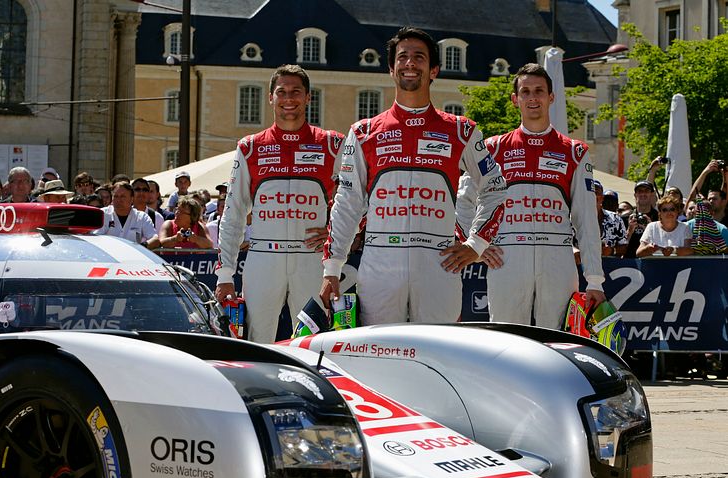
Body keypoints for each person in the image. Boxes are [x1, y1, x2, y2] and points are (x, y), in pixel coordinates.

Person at [321, 28, 506, 326]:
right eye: (402, 57)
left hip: (440, 263)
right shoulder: (363, 132)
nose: (410, 63)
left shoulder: (462, 130)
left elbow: (495, 188)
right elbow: (347, 203)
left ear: (433, 70)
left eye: (419, 57)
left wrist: (476, 245)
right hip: (380, 263)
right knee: (377, 356)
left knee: (439, 358)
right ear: (391, 69)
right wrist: (332, 268)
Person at [215, 64, 346, 343]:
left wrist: (337, 231)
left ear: (308, 97)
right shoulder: (250, 146)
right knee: (256, 341)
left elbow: (359, 199)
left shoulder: (333, 144)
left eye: (296, 92)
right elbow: (233, 212)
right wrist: (225, 273)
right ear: (271, 97)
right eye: (282, 92)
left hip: (312, 258)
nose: (289, 99)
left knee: (315, 341)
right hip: (264, 257)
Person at [483, 63, 604, 329]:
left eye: (539, 91)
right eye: (525, 92)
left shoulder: (575, 151)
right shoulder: (493, 148)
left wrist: (594, 280)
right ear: (516, 99)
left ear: (551, 97)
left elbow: (585, 219)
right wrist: (476, 244)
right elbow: (466, 199)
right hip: (507, 255)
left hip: (557, 257)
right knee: (506, 338)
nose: (532, 98)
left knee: (558, 339)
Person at [95, 181, 160, 249]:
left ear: (132, 199)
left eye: (123, 196)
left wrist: (141, 247)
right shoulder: (102, 214)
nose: (118, 200)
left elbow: (155, 239)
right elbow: (95, 238)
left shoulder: (142, 217)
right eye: (116, 196)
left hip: (132, 258)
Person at [621, 181, 659, 258]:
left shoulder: (659, 217)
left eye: (646, 191)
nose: (643, 194)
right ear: (635, 195)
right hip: (628, 262)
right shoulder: (625, 217)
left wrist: (650, 229)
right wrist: (629, 230)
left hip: (650, 261)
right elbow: (620, 246)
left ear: (652, 194)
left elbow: (662, 242)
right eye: (640, 191)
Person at [594, 181, 627, 257]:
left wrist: (611, 250)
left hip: (610, 265)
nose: (593, 196)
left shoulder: (616, 219)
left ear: (602, 198)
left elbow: (623, 246)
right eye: (589, 193)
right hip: (581, 265)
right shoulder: (574, 217)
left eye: (596, 193)